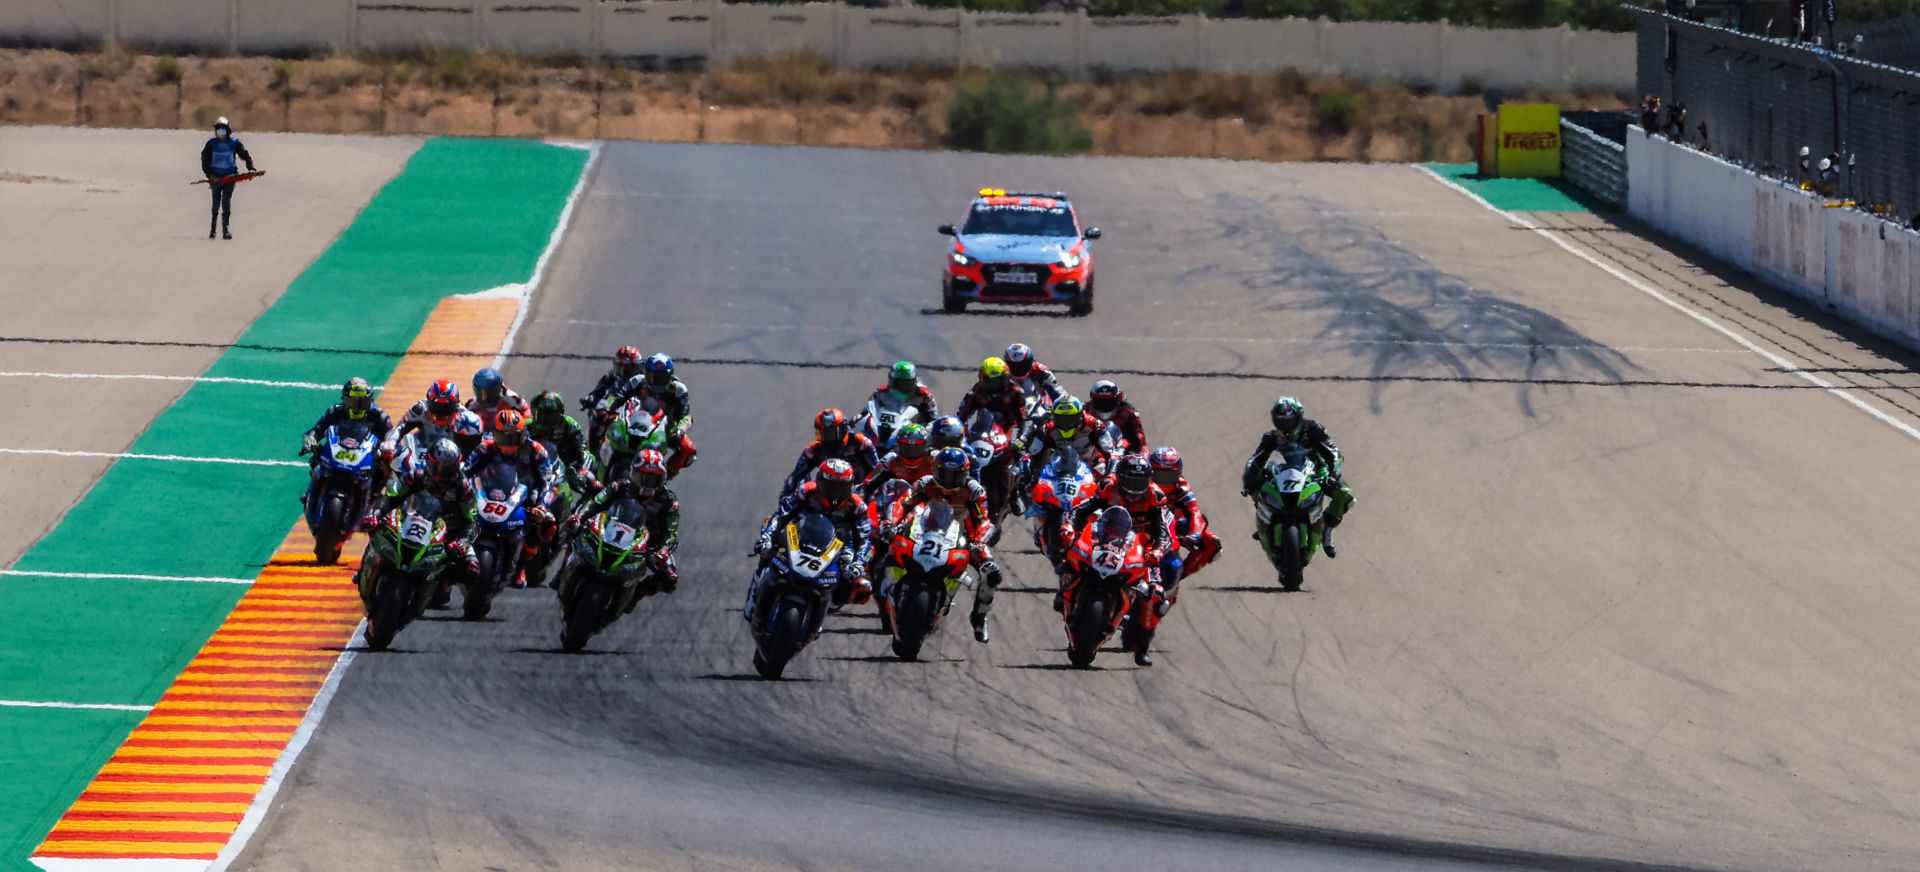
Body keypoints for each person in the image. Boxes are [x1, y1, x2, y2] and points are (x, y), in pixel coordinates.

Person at [1063, 454, 1177, 666]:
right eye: (1130, 481)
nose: (1135, 488)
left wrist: (1158, 550)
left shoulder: (1155, 495)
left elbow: (1163, 531)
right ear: (1120, 478)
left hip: (1141, 546)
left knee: (1156, 595)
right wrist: (1070, 526)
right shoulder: (1108, 487)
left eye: (1140, 482)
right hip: (1106, 535)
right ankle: (1065, 594)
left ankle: (1141, 647)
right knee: (1072, 555)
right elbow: (1081, 510)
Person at [897, 447, 1003, 643]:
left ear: (965, 473)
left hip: (964, 539)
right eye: (944, 473)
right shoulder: (925, 484)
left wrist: (978, 542)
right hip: (924, 533)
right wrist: (893, 523)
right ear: (935, 470)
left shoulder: (974, 491)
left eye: (955, 475)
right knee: (885, 549)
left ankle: (979, 616)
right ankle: (886, 590)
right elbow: (904, 504)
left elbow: (983, 521)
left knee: (991, 572)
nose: (948, 479)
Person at [1241, 396, 1354, 557]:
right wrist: (1249, 475)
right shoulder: (1271, 437)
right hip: (1282, 474)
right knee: (1254, 486)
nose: (1285, 425)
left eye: (1289, 420)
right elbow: (1255, 458)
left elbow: (1334, 453)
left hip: (1315, 473)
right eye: (1280, 420)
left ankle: (1326, 532)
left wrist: (1332, 472)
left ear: (1299, 417)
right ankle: (1264, 522)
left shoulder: (1313, 429)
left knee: (1346, 494)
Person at [375, 438, 482, 605]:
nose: (442, 474)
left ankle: (454, 589)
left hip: (447, 533)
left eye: (448, 469)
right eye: (438, 467)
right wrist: (376, 513)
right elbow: (392, 497)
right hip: (412, 522)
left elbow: (473, 521)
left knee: (472, 568)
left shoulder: (463, 487)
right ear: (429, 462)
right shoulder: (416, 475)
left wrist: (463, 541)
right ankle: (366, 573)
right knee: (378, 530)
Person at [568, 448, 680, 605]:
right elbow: (596, 502)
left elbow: (671, 532)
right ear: (633, 473)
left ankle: (636, 594)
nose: (647, 484)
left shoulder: (668, 501)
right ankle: (566, 575)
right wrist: (580, 517)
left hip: (648, 543)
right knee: (573, 530)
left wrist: (662, 550)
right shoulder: (619, 486)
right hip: (612, 529)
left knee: (669, 577)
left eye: (654, 479)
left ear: (663, 479)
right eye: (642, 477)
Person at [755, 458, 874, 606]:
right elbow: (781, 515)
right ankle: (758, 580)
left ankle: (825, 604)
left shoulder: (857, 506)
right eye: (831, 487)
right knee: (769, 535)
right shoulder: (806, 491)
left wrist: (858, 563)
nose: (835, 494)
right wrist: (767, 536)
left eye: (841, 488)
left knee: (855, 584)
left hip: (839, 545)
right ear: (819, 482)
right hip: (801, 535)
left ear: (850, 487)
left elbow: (864, 540)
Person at [461, 410, 556, 588]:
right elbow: (466, 471)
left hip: (526, 492)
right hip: (490, 489)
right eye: (504, 438)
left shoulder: (537, 451)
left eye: (513, 438)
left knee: (546, 524)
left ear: (522, 434)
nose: (509, 444)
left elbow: (547, 482)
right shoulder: (485, 447)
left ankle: (521, 565)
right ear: (495, 434)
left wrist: (542, 505)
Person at [300, 377, 394, 515]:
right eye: (353, 401)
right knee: (317, 458)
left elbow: (392, 435)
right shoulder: (335, 411)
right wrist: (310, 440)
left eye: (363, 401)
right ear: (344, 399)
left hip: (366, 456)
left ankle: (373, 502)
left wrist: (388, 448)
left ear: (370, 400)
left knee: (383, 470)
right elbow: (317, 428)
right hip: (339, 452)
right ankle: (311, 492)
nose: (358, 405)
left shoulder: (379, 416)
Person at [599, 353, 696, 477]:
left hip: (665, 429)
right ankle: (597, 462)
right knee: (603, 424)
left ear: (669, 376)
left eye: (661, 377)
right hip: (634, 420)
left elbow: (685, 416)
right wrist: (606, 408)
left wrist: (680, 430)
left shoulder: (678, 390)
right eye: (652, 376)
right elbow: (617, 396)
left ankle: (664, 477)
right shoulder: (637, 381)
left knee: (688, 450)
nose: (656, 381)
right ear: (645, 373)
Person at [1017, 396, 1113, 519]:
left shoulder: (1095, 425)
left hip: (1091, 468)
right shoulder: (1048, 428)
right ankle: (1040, 526)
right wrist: (1025, 470)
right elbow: (1031, 452)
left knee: (1109, 494)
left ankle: (1109, 528)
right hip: (1058, 472)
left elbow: (1111, 453)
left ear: (1080, 416)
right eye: (1061, 420)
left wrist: (1110, 475)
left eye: (1070, 420)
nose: (1066, 425)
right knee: (1035, 493)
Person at [1150, 446, 1220, 584]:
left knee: (1212, 544)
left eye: (1170, 476)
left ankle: (1175, 581)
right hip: (1139, 521)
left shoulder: (1182, 487)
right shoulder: (1140, 481)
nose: (1166, 481)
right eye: (1161, 476)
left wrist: (1194, 535)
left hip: (1169, 522)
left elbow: (1195, 512)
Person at [780, 408, 880, 501]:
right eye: (820, 434)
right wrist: (785, 498)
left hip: (859, 496)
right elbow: (796, 475)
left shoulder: (861, 443)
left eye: (829, 434)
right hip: (826, 498)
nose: (825, 439)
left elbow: (878, 470)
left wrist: (867, 489)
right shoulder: (814, 449)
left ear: (842, 430)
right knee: (799, 481)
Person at [383, 378, 485, 463]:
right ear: (429, 403)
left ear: (455, 405)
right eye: (437, 407)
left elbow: (474, 444)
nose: (441, 412)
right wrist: (390, 444)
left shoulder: (463, 417)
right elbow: (401, 426)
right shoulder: (420, 409)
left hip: (450, 460)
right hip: (421, 454)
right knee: (384, 454)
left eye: (446, 407)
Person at [528, 391, 597, 496]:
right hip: (536, 468)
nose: (547, 420)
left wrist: (580, 470)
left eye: (551, 415)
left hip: (565, 468)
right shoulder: (526, 426)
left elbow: (583, 451)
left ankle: (592, 503)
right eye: (542, 415)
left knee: (590, 476)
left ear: (561, 414)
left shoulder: (569, 424)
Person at [200, 117, 257, 240]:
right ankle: (213, 230)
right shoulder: (211, 144)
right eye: (218, 130)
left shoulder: (235, 143)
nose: (220, 132)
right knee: (215, 206)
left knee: (226, 204)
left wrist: (251, 168)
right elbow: (204, 160)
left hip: (230, 179)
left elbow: (245, 156)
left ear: (227, 130)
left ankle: (225, 230)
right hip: (215, 179)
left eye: (222, 130)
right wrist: (210, 175)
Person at [582, 346, 646, 447]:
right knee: (594, 417)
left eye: (631, 369)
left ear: (640, 366)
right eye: (623, 369)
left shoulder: (645, 379)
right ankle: (594, 449)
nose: (626, 374)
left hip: (640, 410)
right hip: (615, 404)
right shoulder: (610, 377)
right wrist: (592, 400)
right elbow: (599, 392)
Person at [955, 357, 1028, 433]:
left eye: (997, 381)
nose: (993, 384)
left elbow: (1024, 419)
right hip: (983, 433)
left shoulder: (1015, 392)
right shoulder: (977, 390)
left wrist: (1021, 439)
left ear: (1005, 378)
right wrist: (963, 433)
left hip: (1009, 433)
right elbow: (962, 415)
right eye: (990, 381)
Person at [861, 422, 935, 497]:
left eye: (917, 447)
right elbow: (870, 482)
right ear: (898, 446)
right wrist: (863, 493)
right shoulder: (890, 459)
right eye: (906, 446)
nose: (911, 452)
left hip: (928, 502)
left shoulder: (934, 458)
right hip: (897, 500)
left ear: (926, 446)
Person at [1085, 379, 1148, 454]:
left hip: (1123, 450)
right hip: (1091, 449)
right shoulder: (1085, 410)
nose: (1105, 405)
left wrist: (1135, 453)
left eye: (1109, 401)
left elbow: (1140, 439)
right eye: (1100, 401)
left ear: (1118, 399)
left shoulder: (1128, 412)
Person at [467, 367, 529, 433]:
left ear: (498, 388)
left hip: (508, 437)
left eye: (488, 392)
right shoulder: (472, 404)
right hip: (483, 439)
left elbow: (526, 413)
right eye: (481, 392)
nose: (484, 397)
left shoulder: (512, 399)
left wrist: (520, 425)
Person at [1004, 342, 1064, 408]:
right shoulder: (1002, 371)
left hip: (1040, 409)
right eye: (1015, 366)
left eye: (1023, 365)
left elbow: (1059, 392)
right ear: (1008, 364)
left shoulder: (1041, 370)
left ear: (1030, 361)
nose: (1020, 369)